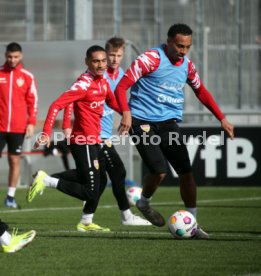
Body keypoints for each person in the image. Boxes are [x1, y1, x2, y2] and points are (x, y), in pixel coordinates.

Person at [115, 23, 234, 239]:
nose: (183, 51)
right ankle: (145, 203)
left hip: (168, 124)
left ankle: (193, 223)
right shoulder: (150, 59)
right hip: (142, 122)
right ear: (168, 41)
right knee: (159, 170)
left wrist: (222, 118)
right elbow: (121, 86)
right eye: (179, 46)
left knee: (186, 173)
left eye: (187, 46)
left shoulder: (187, 65)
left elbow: (201, 90)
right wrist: (126, 113)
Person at [27, 45, 121, 232]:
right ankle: (47, 181)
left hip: (96, 140)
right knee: (90, 190)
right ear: (87, 62)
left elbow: (111, 100)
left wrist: (127, 113)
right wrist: (46, 132)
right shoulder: (83, 84)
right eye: (96, 61)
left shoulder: (102, 81)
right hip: (83, 141)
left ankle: (86, 221)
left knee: (100, 180)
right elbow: (56, 105)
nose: (101, 64)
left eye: (103, 61)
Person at [63, 37, 151, 226]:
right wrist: (67, 126)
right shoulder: (94, 76)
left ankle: (86, 218)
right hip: (94, 134)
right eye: (111, 55)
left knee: (98, 177)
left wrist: (130, 118)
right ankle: (125, 216)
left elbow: (122, 103)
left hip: (106, 134)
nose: (114, 59)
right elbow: (72, 99)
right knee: (117, 171)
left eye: (119, 55)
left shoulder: (122, 78)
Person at [0, 42, 38, 208]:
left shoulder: (27, 76)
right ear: (5, 55)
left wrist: (31, 123)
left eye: (15, 56)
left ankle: (10, 196)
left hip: (17, 127)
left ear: (21, 56)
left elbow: (33, 102)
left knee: (14, 160)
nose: (12, 59)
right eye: (9, 56)